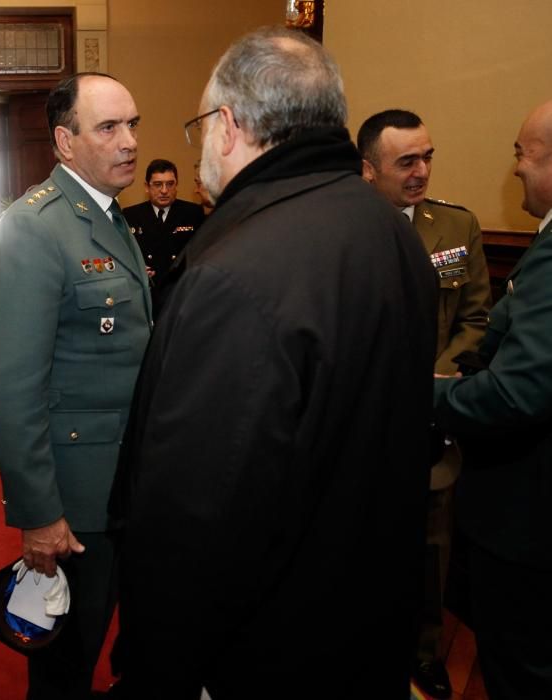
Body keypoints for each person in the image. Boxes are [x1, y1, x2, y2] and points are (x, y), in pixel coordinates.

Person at [111, 28, 437, 698]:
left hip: (266, 649)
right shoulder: (388, 231)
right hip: (366, 620)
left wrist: (159, 669)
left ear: (228, 126)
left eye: (202, 123)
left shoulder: (235, 272)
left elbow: (198, 519)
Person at [0, 72, 151, 699]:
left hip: (125, 481)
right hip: (76, 501)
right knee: (65, 665)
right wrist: (39, 513)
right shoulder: (34, 228)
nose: (129, 140)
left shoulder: (107, 216)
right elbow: (12, 390)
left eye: (132, 124)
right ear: (65, 140)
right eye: (109, 127)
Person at [358, 108, 491, 699]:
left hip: (433, 423)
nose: (420, 172)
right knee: (363, 548)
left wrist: (442, 375)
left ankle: (425, 651)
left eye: (427, 157)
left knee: (432, 548)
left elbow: (476, 319)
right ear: (368, 170)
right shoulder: (344, 232)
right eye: (405, 161)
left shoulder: (455, 228)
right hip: (363, 429)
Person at [433, 99, 552, 700]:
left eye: (523, 155)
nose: (515, 170)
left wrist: (423, 397)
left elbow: (518, 391)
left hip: (528, 523)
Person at [123, 158, 204, 303]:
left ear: (176, 185)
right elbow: (124, 255)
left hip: (182, 292)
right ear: (147, 187)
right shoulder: (130, 215)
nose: (164, 190)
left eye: (170, 184)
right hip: (147, 295)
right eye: (158, 184)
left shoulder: (193, 213)